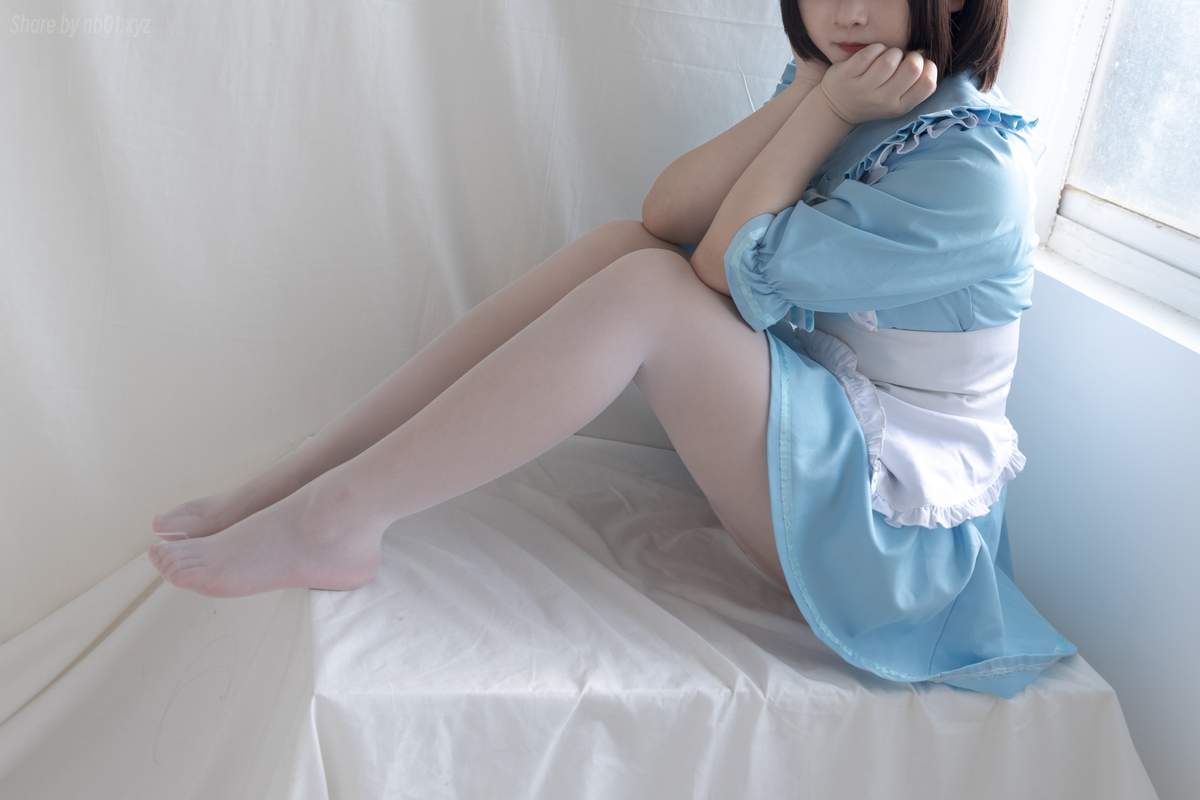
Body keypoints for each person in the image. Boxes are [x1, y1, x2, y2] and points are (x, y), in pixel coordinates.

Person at [148, 0, 1077, 698]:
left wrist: (824, 112)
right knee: (621, 250)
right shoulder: (853, 96)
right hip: (821, 460)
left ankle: (340, 519)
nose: (844, 11)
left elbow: (715, 263)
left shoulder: (972, 172)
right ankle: (311, 476)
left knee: (650, 290)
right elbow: (664, 214)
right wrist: (808, 98)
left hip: (891, 551)